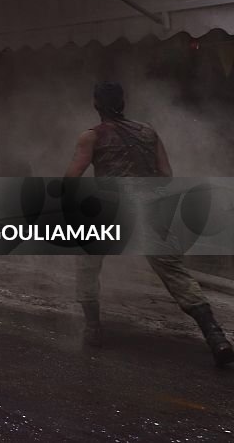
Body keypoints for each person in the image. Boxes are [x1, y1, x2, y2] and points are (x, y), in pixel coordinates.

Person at [64, 82, 234, 366]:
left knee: (87, 262)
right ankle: (216, 336)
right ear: (123, 102)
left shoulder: (91, 137)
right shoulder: (148, 132)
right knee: (174, 272)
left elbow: (72, 178)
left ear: (95, 103)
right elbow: (166, 174)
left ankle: (93, 328)